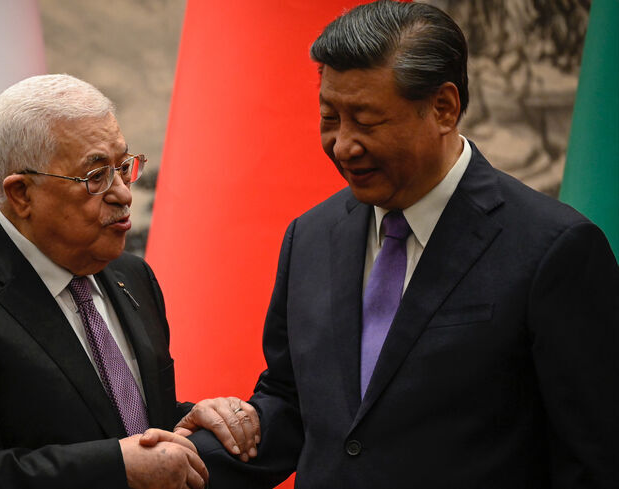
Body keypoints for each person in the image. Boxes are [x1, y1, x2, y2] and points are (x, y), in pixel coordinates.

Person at [187, 1, 619, 487]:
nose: (343, 144)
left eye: (366, 121)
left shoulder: (554, 250)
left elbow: (593, 457)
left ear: (444, 108)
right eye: (330, 117)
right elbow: (294, 402)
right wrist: (186, 457)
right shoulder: (309, 236)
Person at [0, 74, 258, 489]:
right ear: (22, 193)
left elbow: (114, 419)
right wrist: (115, 469)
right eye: (95, 176)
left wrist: (186, 419)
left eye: (124, 166)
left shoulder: (132, 275)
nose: (124, 194)